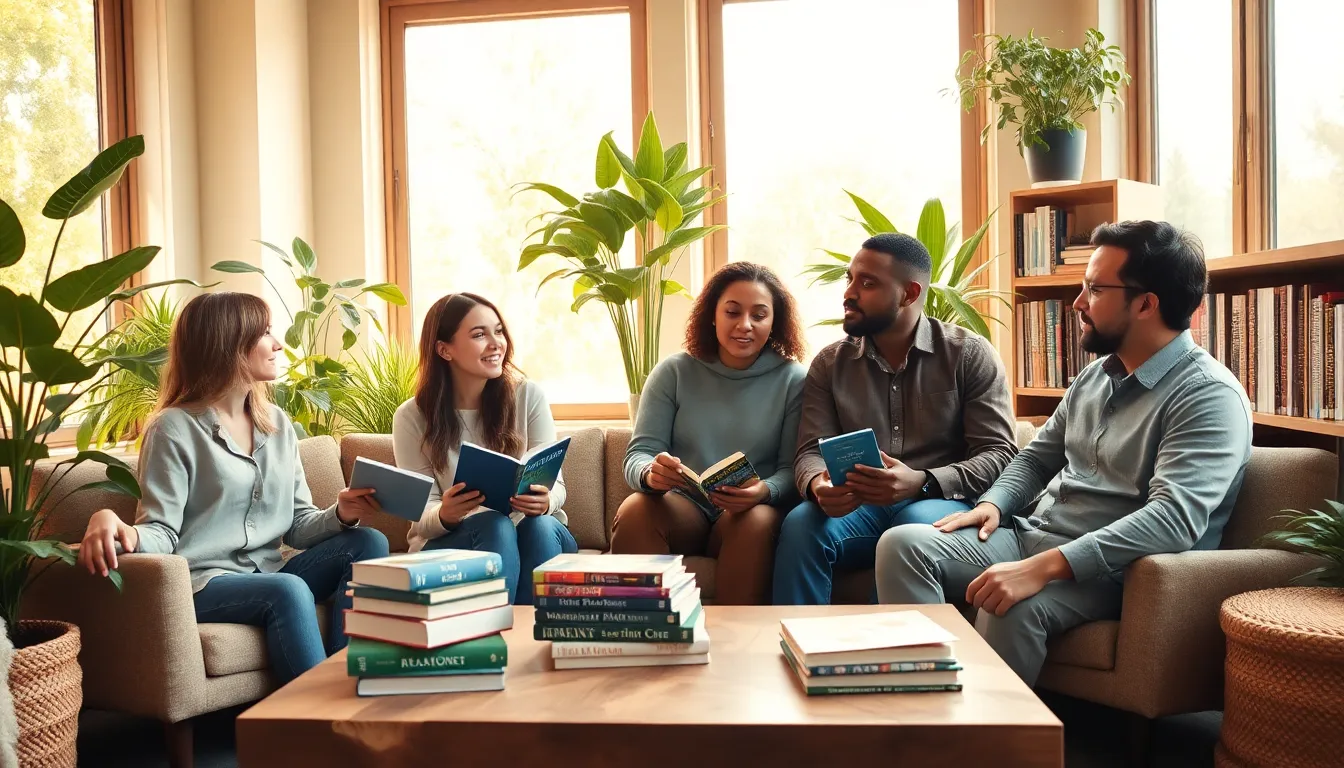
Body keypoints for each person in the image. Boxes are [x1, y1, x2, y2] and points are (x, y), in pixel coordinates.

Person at [876, 221, 1253, 685]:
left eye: (1094, 289)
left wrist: (1044, 568)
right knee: (904, 545)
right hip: (1035, 536)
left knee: (1012, 605)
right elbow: (1037, 459)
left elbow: (1174, 519)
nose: (1077, 303)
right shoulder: (1096, 376)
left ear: (1146, 304)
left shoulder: (1208, 396)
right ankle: (926, 704)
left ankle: (986, 745)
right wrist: (993, 504)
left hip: (1118, 573)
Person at [78, 292, 389, 684]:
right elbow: (162, 531)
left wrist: (341, 513)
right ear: (229, 344)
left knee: (369, 543)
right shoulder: (172, 428)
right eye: (265, 333)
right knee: (288, 590)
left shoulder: (276, 423)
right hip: (206, 582)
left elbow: (297, 525)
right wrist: (111, 521)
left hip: (270, 570)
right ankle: (322, 721)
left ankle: (350, 680)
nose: (278, 344)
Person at [773, 232, 1019, 605]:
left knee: (909, 528)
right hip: (860, 505)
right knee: (802, 525)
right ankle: (796, 650)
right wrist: (817, 485)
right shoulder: (829, 364)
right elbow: (810, 450)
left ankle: (885, 655)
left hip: (942, 500)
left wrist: (920, 482)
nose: (849, 292)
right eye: (850, 278)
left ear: (909, 293)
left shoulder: (968, 355)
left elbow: (999, 454)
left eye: (867, 283)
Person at [612, 262, 807, 605]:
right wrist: (650, 473)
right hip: (683, 507)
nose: (744, 325)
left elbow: (794, 469)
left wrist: (765, 490)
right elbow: (638, 454)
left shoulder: (793, 380)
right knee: (636, 509)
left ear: (774, 322)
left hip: (746, 513)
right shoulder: (673, 372)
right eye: (732, 312)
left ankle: (737, 647)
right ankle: (645, 638)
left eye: (759, 315)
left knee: (758, 521)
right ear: (712, 315)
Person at [393, 292, 576, 605]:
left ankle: (527, 638)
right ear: (444, 350)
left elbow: (556, 484)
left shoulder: (527, 396)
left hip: (536, 534)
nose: (496, 344)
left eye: (499, 331)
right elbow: (421, 514)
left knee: (540, 526)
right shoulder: (412, 416)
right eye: (479, 335)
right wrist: (445, 514)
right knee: (495, 523)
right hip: (455, 541)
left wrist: (546, 501)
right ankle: (500, 636)